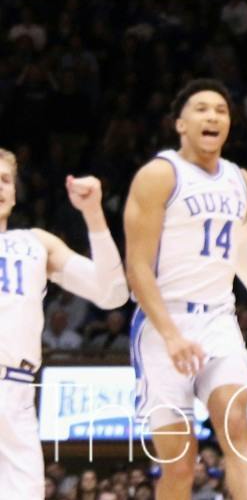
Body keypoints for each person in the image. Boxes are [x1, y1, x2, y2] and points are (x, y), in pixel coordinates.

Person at [122, 79, 247, 500]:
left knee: (237, 426)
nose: (212, 116)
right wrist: (171, 334)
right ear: (180, 123)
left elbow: (241, 243)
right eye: (200, 109)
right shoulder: (159, 176)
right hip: (163, 325)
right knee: (180, 466)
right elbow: (137, 268)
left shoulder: (243, 183)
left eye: (221, 110)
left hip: (218, 318)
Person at [0, 149, 127, 496]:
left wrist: (93, 214)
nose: (0, 187)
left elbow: (112, 294)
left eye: (5, 180)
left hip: (16, 391)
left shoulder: (36, 244)